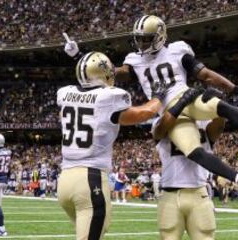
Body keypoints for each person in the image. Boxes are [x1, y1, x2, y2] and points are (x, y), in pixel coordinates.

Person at [64, 16, 238, 186]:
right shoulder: (134, 60)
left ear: (160, 36)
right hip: (167, 112)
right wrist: (79, 57)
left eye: (146, 39)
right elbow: (111, 72)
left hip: (186, 97)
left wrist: (235, 89)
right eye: (138, 39)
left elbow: (206, 75)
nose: (141, 44)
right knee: (194, 150)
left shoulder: (178, 50)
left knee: (220, 107)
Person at [56, 51, 199, 240]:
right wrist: (158, 96)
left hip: (65, 180)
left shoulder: (65, 93)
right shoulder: (109, 97)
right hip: (90, 178)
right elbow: (144, 113)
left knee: (93, 232)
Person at [153, 119, 217, 240]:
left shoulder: (204, 121)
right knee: (169, 237)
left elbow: (219, 124)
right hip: (170, 193)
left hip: (199, 191)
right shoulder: (161, 121)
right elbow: (159, 132)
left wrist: (218, 106)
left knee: (205, 237)